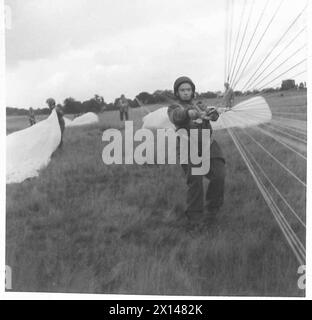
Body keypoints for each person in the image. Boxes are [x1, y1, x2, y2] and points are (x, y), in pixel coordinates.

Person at [167, 76, 226, 231]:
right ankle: (195, 220)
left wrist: (213, 114)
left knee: (219, 175)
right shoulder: (173, 107)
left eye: (188, 89)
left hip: (208, 144)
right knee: (195, 182)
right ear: (177, 92)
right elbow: (177, 116)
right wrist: (190, 113)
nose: (186, 93)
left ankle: (213, 210)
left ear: (193, 90)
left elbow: (210, 115)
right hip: (188, 146)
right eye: (182, 90)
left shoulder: (200, 104)